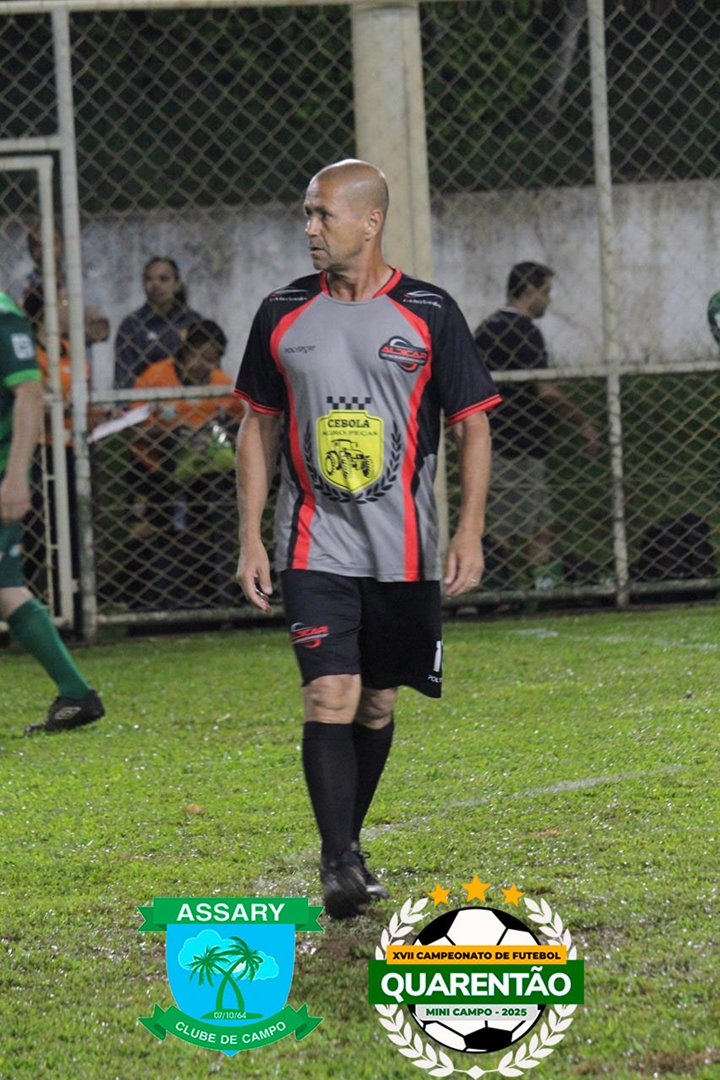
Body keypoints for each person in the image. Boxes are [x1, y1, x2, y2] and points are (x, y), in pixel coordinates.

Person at [234, 159, 500, 918]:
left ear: (370, 221)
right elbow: (257, 424)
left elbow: (473, 424)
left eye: (323, 214)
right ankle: (339, 861)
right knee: (331, 691)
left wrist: (470, 530)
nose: (310, 228)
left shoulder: (429, 311)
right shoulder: (282, 311)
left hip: (404, 550)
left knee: (377, 703)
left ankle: (347, 845)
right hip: (312, 544)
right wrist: (251, 537)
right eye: (307, 214)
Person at [0, 290, 104, 734]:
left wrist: (15, 476)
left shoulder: (3, 317)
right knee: (7, 588)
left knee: (7, 588)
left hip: (1, 469)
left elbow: (29, 394)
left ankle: (77, 693)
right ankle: (76, 694)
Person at [474, 262, 600, 590]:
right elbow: (545, 390)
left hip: (498, 440)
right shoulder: (523, 331)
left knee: (537, 527)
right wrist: (582, 421)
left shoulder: (487, 328)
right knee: (505, 529)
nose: (549, 300)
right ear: (529, 291)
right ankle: (487, 593)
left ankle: (543, 587)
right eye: (546, 292)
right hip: (516, 446)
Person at [127, 319, 244, 608]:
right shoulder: (156, 377)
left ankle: (217, 597)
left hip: (208, 478)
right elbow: (133, 430)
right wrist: (172, 434)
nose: (202, 365)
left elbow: (240, 426)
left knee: (217, 522)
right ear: (184, 351)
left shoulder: (222, 386)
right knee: (159, 531)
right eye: (197, 356)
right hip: (157, 471)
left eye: (211, 359)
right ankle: (160, 598)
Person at [114, 256, 201, 388]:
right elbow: (124, 377)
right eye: (149, 279)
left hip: (189, 395)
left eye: (163, 279)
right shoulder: (132, 325)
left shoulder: (192, 321)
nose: (155, 285)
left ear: (177, 284)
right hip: (146, 395)